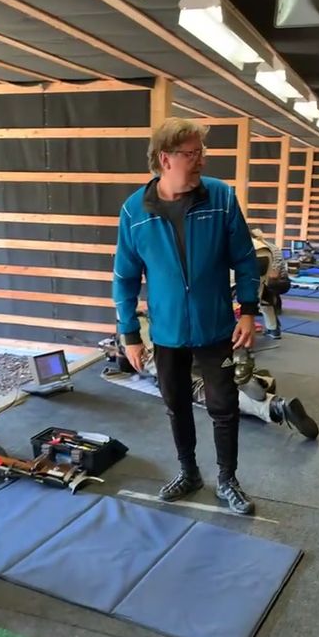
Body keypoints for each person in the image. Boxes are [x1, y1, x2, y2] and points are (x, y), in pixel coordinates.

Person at [113, 118, 260, 515]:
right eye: (192, 154)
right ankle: (188, 472)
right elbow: (125, 278)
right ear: (166, 159)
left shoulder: (221, 197)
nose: (201, 161)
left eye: (201, 153)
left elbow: (245, 259)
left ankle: (227, 480)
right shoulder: (134, 211)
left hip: (216, 327)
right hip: (167, 331)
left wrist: (248, 311)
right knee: (176, 403)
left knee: (223, 406)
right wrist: (129, 334)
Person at [102, 314, 319, 440]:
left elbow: (129, 365)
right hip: (187, 337)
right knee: (216, 373)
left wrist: (119, 354)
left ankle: (275, 407)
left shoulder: (126, 338)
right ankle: (247, 377)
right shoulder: (150, 315)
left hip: (163, 354)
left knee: (198, 389)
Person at [251, 227, 290, 339]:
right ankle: (273, 328)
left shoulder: (266, 249)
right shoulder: (268, 246)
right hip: (270, 280)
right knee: (264, 296)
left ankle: (273, 326)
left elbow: (274, 274)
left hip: (279, 282)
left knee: (263, 293)